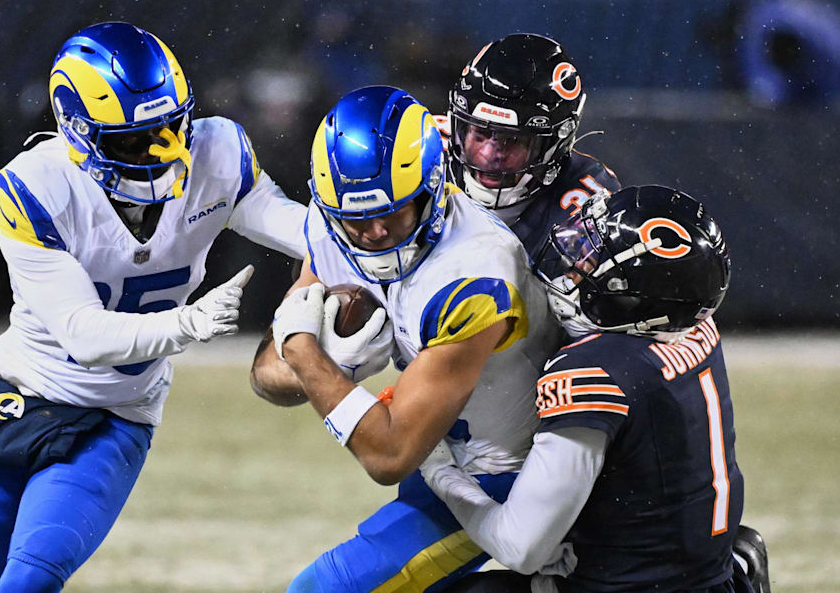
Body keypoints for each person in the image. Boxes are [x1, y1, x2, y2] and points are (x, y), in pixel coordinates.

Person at [0, 22, 307, 592]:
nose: (162, 153)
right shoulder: (36, 186)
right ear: (79, 133)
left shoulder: (216, 153)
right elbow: (84, 336)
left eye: (171, 130)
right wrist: (188, 323)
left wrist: (379, 234)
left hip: (112, 414)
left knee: (29, 580)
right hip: (20, 391)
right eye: (134, 141)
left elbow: (302, 230)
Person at [249, 85, 559, 591]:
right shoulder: (333, 226)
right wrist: (326, 363)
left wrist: (308, 355)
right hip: (442, 455)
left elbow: (389, 455)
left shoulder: (475, 276)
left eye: (392, 212)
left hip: (508, 476)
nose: (374, 232)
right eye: (357, 219)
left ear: (432, 187)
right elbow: (266, 376)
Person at [420, 186, 770, 593]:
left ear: (631, 299)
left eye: (592, 262)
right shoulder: (692, 322)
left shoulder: (594, 372)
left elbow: (518, 546)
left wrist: (440, 472)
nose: (573, 266)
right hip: (710, 573)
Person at [443, 33, 621, 254]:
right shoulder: (424, 150)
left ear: (556, 144)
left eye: (512, 141)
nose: (489, 153)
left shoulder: (586, 204)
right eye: (480, 134)